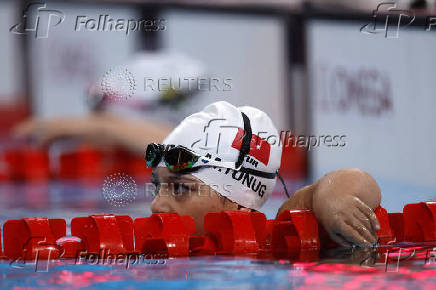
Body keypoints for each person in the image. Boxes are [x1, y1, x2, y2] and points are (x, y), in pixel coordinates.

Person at [14, 101, 381, 248]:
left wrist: (333, 196)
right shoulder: (148, 248)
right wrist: (100, 126)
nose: (158, 205)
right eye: (158, 186)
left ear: (237, 205)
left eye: (181, 189)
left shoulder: (276, 237)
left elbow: (351, 180)